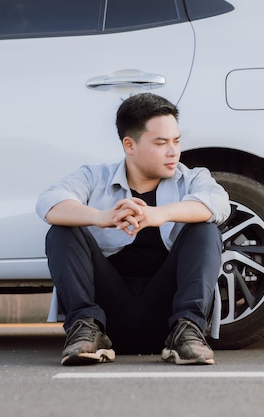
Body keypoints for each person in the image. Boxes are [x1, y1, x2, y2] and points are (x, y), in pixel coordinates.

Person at [36, 93, 230, 366]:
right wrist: (101, 216)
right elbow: (49, 203)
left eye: (176, 141)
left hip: (167, 320)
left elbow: (219, 204)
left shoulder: (192, 178)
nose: (173, 151)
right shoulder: (95, 177)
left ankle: (188, 334)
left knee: (205, 229)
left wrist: (159, 214)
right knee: (62, 230)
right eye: (161, 143)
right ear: (130, 144)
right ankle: (84, 331)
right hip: (105, 317)